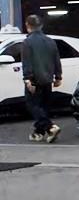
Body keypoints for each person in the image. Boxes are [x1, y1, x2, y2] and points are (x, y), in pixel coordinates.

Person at [21, 14, 62, 143]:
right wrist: (58, 76)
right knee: (43, 107)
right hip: (48, 79)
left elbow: (27, 62)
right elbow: (56, 60)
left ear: (27, 25)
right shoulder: (50, 41)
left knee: (32, 105)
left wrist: (28, 79)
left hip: (35, 79)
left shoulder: (27, 42)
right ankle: (38, 133)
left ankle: (50, 127)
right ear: (41, 26)